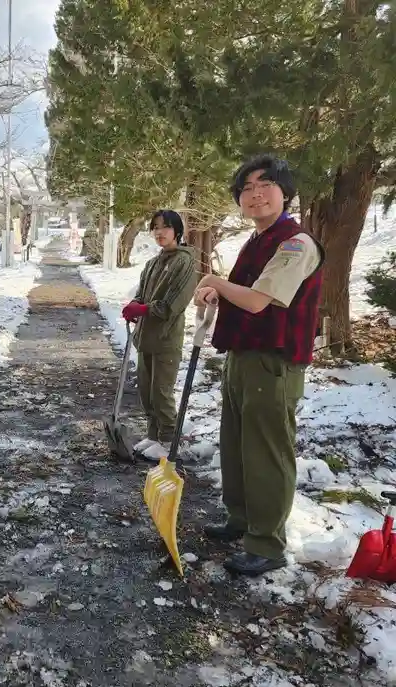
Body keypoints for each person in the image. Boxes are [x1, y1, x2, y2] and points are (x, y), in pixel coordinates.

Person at [194, 155, 324, 577]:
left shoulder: (295, 243)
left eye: (265, 184)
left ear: (285, 193)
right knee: (235, 444)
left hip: (274, 362)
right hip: (242, 355)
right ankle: (241, 520)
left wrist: (214, 282)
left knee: (266, 452)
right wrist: (216, 294)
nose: (255, 193)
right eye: (246, 188)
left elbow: (255, 300)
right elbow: (241, 293)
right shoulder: (255, 241)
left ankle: (266, 543)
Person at [122, 210, 197, 461]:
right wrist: (134, 306)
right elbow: (142, 293)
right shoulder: (153, 263)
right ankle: (153, 435)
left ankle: (168, 440)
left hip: (166, 338)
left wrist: (144, 309)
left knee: (161, 392)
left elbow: (172, 305)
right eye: (155, 228)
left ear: (177, 231)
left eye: (165, 227)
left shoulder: (184, 262)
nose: (159, 232)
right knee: (146, 390)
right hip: (146, 337)